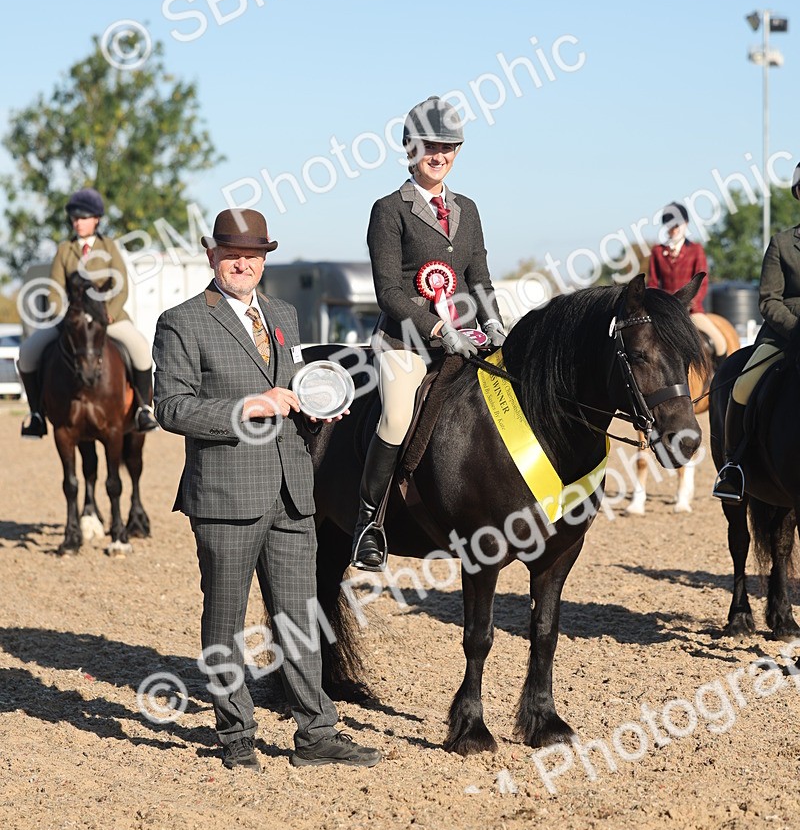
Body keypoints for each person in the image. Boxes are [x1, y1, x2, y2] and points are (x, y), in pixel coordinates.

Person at [152, 208, 381, 772]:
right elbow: (172, 408)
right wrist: (249, 406)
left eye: (252, 257)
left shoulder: (283, 314)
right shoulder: (181, 321)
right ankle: (235, 734)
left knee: (301, 617)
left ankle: (316, 733)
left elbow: (292, 389)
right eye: (232, 256)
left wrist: (317, 408)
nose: (243, 265)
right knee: (225, 621)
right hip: (225, 495)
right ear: (212, 257)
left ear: (263, 260)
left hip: (292, 490)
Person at [352, 95, 505, 571]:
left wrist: (493, 322)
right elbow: (388, 292)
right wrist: (438, 328)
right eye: (429, 146)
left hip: (467, 338)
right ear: (410, 148)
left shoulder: (468, 209)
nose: (439, 155)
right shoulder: (388, 210)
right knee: (397, 417)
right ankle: (369, 523)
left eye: (447, 147)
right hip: (406, 341)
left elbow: (479, 277)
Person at [17, 187, 157, 436]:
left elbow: (121, 287)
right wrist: (64, 318)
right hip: (72, 322)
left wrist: (109, 313)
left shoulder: (109, 246)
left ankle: (143, 409)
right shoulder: (65, 249)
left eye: (83, 218)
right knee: (27, 352)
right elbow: (54, 290)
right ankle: (36, 413)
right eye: (74, 218)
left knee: (141, 348)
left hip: (109, 318)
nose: (77, 223)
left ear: (96, 219)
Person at [713, 162, 800, 502]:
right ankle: (733, 466)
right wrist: (795, 329)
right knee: (743, 385)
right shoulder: (783, 244)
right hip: (784, 336)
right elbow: (768, 300)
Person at [648, 202, 727, 357]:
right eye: (670, 225)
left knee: (720, 343)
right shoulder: (657, 251)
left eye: (677, 225)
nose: (674, 229)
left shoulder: (696, 250)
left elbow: (702, 282)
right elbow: (652, 283)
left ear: (685, 224)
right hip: (665, 311)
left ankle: (720, 371)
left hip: (691, 310)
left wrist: (690, 303)